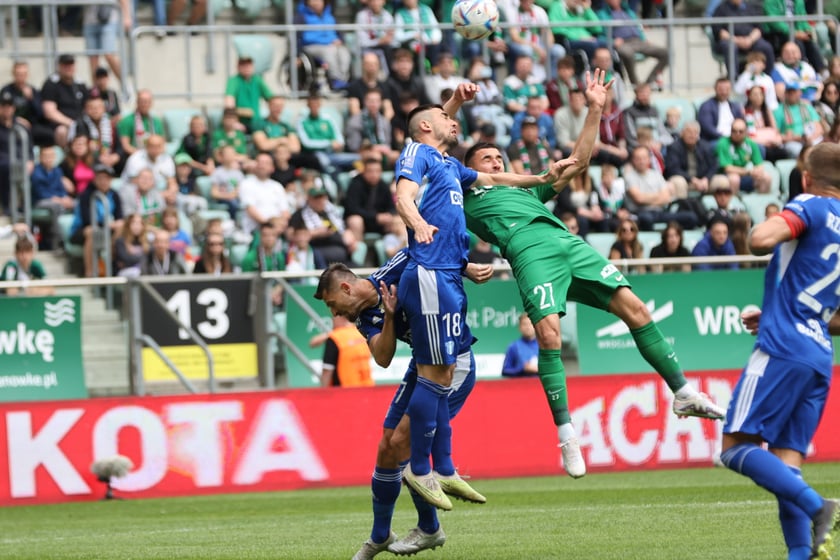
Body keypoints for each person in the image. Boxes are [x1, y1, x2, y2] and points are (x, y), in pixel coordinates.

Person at [453, 70, 725, 483]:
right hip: (529, 252)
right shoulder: (466, 197)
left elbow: (579, 161)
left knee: (636, 309)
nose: (496, 161)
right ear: (471, 169)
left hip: (568, 244)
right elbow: (432, 151)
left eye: (498, 158)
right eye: (487, 159)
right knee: (549, 336)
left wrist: (595, 108)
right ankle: (566, 435)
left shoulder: (528, 189)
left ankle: (683, 393)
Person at [392, 83, 571, 509]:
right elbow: (402, 194)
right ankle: (420, 468)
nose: (454, 121)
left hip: (450, 274)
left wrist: (541, 177)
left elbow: (493, 177)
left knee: (447, 370)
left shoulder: (448, 162)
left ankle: (446, 468)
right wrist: (416, 222)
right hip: (430, 273)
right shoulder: (417, 153)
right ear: (425, 125)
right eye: (445, 118)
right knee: (434, 374)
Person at [314, 251, 491, 559]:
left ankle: (429, 528)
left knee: (402, 443)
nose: (335, 315)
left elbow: (430, 253)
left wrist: (465, 267)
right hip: (421, 364)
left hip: (453, 363)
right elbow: (382, 358)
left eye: (332, 305)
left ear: (345, 289)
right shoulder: (366, 319)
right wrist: (391, 318)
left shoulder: (393, 269)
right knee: (387, 446)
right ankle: (381, 536)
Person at [720, 142, 840, 560]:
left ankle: (818, 506)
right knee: (786, 465)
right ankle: (800, 554)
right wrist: (778, 308)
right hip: (820, 355)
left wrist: (776, 218)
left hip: (784, 345)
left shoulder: (810, 204)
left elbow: (758, 239)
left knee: (734, 446)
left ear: (806, 178)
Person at [69, 163, 125, 278]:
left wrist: (116, 224)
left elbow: (119, 216)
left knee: (122, 227)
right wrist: (108, 225)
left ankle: (113, 266)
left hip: (107, 229)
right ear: (95, 179)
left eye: (107, 179)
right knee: (92, 232)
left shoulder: (114, 194)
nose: (103, 181)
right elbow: (87, 220)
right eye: (100, 178)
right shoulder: (86, 195)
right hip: (82, 230)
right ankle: (90, 273)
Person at [82, 0, 131, 85]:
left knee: (109, 54)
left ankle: (126, 85)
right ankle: (96, 91)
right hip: (89, 20)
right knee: (93, 59)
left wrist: (126, 16)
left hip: (109, 19)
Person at [320, 315, 374, 388]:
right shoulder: (361, 333)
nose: (332, 320)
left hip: (345, 391)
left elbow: (327, 370)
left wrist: (323, 393)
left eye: (333, 316)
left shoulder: (335, 337)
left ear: (340, 317)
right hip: (367, 388)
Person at [223, 55, 273, 132]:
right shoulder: (234, 81)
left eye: (248, 65)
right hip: (239, 122)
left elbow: (272, 99)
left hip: (256, 122)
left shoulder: (257, 80)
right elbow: (229, 102)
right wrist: (234, 122)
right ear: (238, 67)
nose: (246, 68)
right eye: (243, 65)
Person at [502, 313, 539, 377]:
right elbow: (505, 370)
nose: (528, 327)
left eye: (530, 324)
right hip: (520, 385)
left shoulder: (543, 345)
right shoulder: (514, 347)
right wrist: (523, 369)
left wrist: (540, 369)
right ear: (519, 327)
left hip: (540, 384)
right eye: (524, 324)